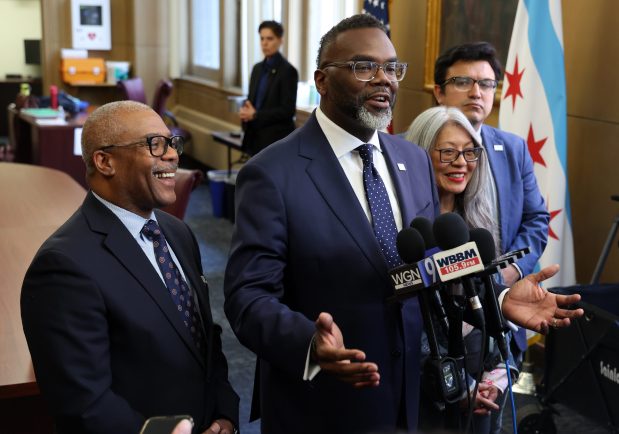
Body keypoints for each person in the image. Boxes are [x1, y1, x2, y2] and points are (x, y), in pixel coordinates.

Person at [224, 14, 582, 434]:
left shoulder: (411, 160)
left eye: (392, 68)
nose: (384, 79)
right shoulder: (272, 173)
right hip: (325, 403)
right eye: (364, 67)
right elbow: (247, 296)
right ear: (322, 81)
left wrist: (497, 297)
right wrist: (308, 344)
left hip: (411, 397)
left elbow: (431, 271)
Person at [21, 101, 239, 434]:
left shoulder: (177, 233)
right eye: (155, 144)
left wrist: (225, 414)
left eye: (172, 143)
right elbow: (82, 404)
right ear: (104, 161)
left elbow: (204, 339)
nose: (171, 155)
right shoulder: (63, 267)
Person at [433, 41, 550, 431]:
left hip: (501, 317)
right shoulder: (415, 152)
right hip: (439, 327)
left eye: (486, 83)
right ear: (438, 91)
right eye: (463, 81)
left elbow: (536, 221)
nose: (476, 92)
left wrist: (507, 277)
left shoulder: (513, 148)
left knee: (487, 425)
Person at [406, 106, 517, 433]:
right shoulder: (409, 233)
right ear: (420, 156)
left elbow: (493, 318)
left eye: (470, 152)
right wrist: (459, 386)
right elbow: (412, 326)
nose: (461, 162)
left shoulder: (479, 223)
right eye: (448, 152)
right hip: (431, 387)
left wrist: (494, 378)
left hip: (483, 379)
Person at [239, 20, 299, 156]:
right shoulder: (257, 68)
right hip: (254, 136)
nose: (264, 43)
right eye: (262, 38)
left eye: (270, 39)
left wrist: (256, 115)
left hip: (275, 139)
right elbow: (252, 100)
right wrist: (245, 111)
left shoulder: (288, 71)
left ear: (280, 40)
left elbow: (287, 111)